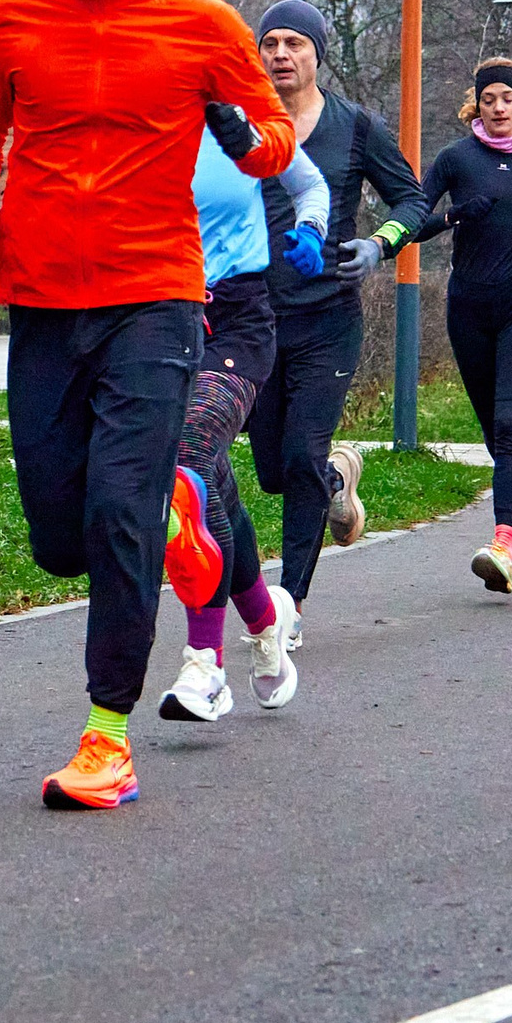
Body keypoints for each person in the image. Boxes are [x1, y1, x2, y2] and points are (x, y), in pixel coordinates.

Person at [0, 0, 297, 811]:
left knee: (118, 509)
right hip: (46, 303)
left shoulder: (198, 23)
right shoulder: (15, 19)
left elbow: (275, 135)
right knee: (62, 535)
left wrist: (242, 136)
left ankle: (108, 738)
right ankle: (186, 541)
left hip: (155, 299)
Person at [240, 0, 428, 646]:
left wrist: (381, 243)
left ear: (318, 54)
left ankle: (288, 607)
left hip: (328, 320)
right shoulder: (241, 123)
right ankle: (337, 479)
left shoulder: (356, 128)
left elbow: (414, 199)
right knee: (271, 471)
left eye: (295, 42)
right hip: (255, 321)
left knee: (299, 457)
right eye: (271, 43)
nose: (281, 53)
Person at [157, 121, 331, 723]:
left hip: (235, 318)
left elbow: (310, 186)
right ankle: (263, 621)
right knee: (213, 488)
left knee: (190, 452)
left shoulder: (241, 123)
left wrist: (311, 229)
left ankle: (204, 663)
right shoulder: (134, 119)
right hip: (155, 317)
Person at [396, 59, 512, 595]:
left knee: (509, 427)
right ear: (478, 104)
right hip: (468, 306)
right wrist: (454, 216)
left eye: (508, 100)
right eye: (490, 99)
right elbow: (412, 220)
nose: (499, 108)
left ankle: (501, 547)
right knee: (493, 427)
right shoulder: (455, 159)